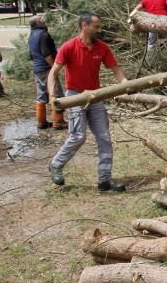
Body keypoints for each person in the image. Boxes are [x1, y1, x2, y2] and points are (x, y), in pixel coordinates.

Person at [47, 11, 128, 192]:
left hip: (95, 96)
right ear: (84, 26)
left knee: (104, 137)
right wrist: (53, 97)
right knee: (78, 136)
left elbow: (116, 70)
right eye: (96, 26)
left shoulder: (102, 48)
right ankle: (56, 165)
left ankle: (105, 180)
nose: (100, 30)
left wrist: (126, 85)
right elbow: (53, 73)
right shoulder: (68, 47)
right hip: (75, 96)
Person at [28, 15, 67, 130]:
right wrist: (54, 67)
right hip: (46, 68)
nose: (44, 20)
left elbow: (31, 54)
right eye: (41, 19)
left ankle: (41, 122)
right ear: (38, 24)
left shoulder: (32, 35)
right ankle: (58, 121)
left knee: (41, 95)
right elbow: (46, 53)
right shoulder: (43, 35)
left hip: (37, 68)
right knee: (56, 93)